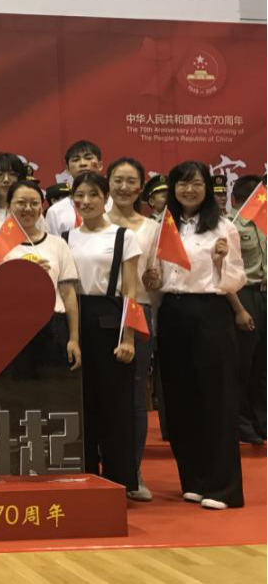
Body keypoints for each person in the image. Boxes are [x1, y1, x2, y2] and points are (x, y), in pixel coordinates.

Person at [145, 161, 246, 509]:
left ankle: (224, 488)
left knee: (216, 399)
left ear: (208, 189)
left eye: (196, 184)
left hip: (210, 313)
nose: (189, 190)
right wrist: (152, 281)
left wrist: (220, 261)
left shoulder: (222, 226)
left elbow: (236, 278)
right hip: (173, 313)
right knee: (180, 400)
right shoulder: (164, 226)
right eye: (182, 184)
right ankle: (194, 480)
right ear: (172, 189)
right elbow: (156, 277)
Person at [0, 180, 82, 473]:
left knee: (52, 396)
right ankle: (9, 460)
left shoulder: (57, 244)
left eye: (33, 203)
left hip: (52, 327)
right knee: (11, 398)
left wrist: (74, 338)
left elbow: (68, 293)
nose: (27, 209)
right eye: (20, 203)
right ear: (9, 206)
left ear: (42, 207)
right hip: (10, 329)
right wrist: (21, 277)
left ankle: (54, 461)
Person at [66, 171, 139, 492]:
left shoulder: (123, 236)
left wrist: (128, 337)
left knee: (115, 405)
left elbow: (132, 292)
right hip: (74, 321)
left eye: (93, 194)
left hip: (110, 320)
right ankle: (84, 476)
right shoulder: (66, 237)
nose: (86, 201)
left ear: (105, 197)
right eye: (79, 195)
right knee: (80, 404)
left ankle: (119, 481)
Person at [106, 158, 161, 501]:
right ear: (108, 183)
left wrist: (155, 279)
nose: (124, 187)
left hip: (138, 310)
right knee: (97, 392)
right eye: (118, 180)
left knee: (135, 393)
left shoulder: (152, 228)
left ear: (141, 187)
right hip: (97, 312)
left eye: (131, 181)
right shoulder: (90, 220)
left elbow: (157, 275)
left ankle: (132, 470)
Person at [229, 175, 267, 445]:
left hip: (264, 295)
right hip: (245, 295)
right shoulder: (230, 225)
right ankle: (241, 422)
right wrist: (239, 309)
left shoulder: (264, 223)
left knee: (262, 364)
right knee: (242, 363)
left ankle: (261, 420)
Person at [47, 140, 106, 236]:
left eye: (88, 158)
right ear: (67, 169)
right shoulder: (56, 211)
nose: (82, 163)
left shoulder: (114, 205)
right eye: (76, 159)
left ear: (100, 165)